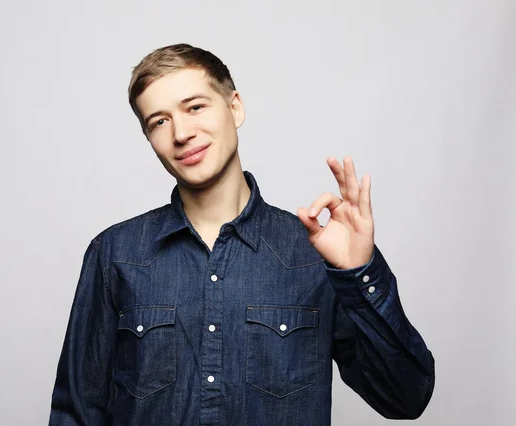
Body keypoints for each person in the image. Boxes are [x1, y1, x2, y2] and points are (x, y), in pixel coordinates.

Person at [49, 43, 435, 425]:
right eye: (159, 122)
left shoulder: (314, 253)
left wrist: (359, 272)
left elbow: (406, 398)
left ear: (235, 107)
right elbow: (76, 414)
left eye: (195, 106)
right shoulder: (114, 253)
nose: (181, 133)